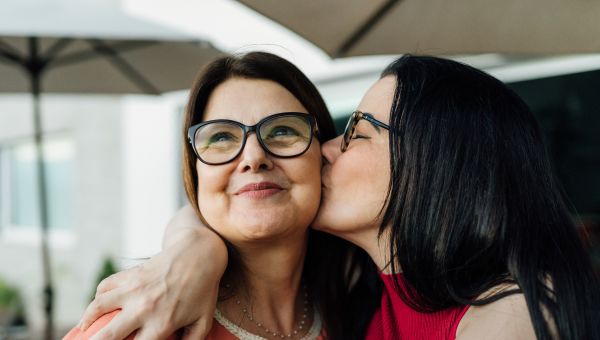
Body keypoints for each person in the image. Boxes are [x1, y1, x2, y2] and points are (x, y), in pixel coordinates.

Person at [79, 55, 600, 339]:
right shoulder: (147, 317)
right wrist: (191, 249)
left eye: (356, 132)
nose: (328, 150)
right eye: (220, 137)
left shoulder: (507, 316)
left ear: (434, 162)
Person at [65, 52, 379, 340]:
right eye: (221, 137)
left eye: (283, 131)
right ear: (196, 172)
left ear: (321, 157)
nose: (254, 157)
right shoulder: (140, 324)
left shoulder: (361, 310)